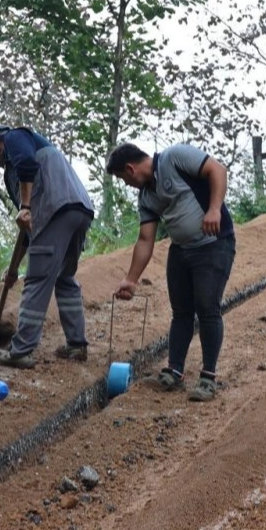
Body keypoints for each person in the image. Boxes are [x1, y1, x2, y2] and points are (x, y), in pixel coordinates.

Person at [105, 142, 235, 402]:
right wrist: (131, 280)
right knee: (182, 312)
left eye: (122, 178)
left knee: (207, 307)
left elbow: (218, 170)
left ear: (130, 169)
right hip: (181, 250)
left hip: (214, 244)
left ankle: (208, 378)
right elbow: (145, 240)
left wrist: (213, 209)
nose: (126, 184)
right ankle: (174, 371)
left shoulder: (174, 158)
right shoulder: (146, 197)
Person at [0, 125, 95, 369]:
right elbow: (28, 230)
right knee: (65, 278)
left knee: (36, 280)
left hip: (54, 210)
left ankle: (20, 350)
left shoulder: (15, 138)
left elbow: (27, 167)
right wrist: (12, 269)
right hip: (79, 210)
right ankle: (76, 346)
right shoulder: (30, 158)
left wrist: (25, 206)